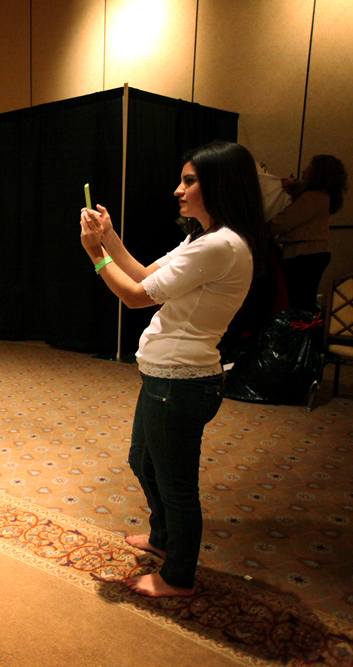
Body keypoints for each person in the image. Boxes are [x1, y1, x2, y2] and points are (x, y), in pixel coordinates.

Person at [79, 141, 264, 598]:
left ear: (218, 184)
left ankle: (178, 575)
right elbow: (143, 273)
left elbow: (136, 296)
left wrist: (94, 254)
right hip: (166, 376)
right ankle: (163, 539)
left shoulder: (220, 245)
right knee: (143, 461)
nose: (178, 190)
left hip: (181, 381)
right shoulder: (202, 237)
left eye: (189, 180)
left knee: (176, 483)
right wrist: (109, 236)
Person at [269, 154, 348, 311]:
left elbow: (283, 222)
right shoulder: (323, 196)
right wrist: (292, 186)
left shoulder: (312, 197)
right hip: (313, 254)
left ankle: (302, 334)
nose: (304, 171)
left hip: (304, 256)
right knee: (304, 301)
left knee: (299, 303)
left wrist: (255, 229)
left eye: (310, 169)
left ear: (318, 174)